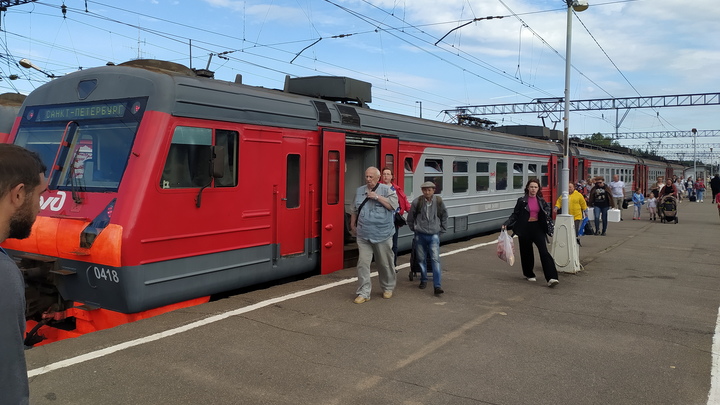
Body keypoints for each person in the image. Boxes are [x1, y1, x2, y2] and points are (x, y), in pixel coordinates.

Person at [0, 144, 48, 405]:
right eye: (39, 195)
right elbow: (6, 386)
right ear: (18, 194)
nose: (40, 208)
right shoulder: (3, 275)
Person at [350, 167, 398, 303]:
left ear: (378, 178)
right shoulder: (360, 191)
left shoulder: (387, 191)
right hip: (364, 234)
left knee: (385, 263)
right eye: (366, 176)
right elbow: (354, 209)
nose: (368, 179)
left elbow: (393, 206)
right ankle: (364, 293)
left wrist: (377, 197)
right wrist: (352, 224)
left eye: (371, 177)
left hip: (383, 234)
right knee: (362, 264)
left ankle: (388, 287)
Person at [502, 179, 559, 288]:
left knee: (544, 252)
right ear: (527, 188)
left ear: (538, 189)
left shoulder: (541, 201)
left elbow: (546, 212)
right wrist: (507, 223)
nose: (533, 189)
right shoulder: (521, 201)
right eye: (531, 187)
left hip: (537, 228)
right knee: (526, 252)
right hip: (525, 228)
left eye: (535, 187)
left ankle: (552, 277)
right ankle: (529, 273)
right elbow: (515, 214)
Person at [407, 181, 448, 295]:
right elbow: (410, 218)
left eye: (429, 190)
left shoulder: (439, 202)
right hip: (420, 235)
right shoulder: (417, 202)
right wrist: (415, 229)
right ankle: (423, 279)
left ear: (434, 190)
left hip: (434, 235)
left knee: (435, 260)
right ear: (422, 191)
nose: (427, 192)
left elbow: (444, 215)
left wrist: (442, 230)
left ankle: (437, 285)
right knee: (421, 259)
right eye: (425, 190)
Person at [381, 167, 411, 267]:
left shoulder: (396, 189)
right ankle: (383, 264)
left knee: (394, 244)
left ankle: (392, 265)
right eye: (384, 174)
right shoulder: (378, 188)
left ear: (392, 176)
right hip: (381, 220)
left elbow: (404, 201)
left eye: (388, 174)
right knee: (382, 244)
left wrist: (412, 212)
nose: (385, 176)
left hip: (394, 220)